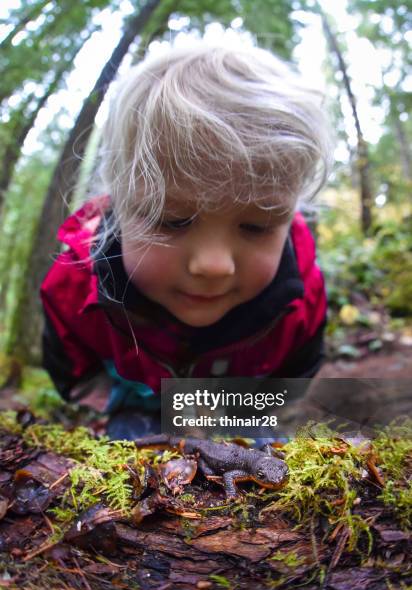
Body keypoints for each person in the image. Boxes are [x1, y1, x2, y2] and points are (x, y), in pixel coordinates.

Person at [40, 43, 333, 441]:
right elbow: (70, 363)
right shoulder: (76, 284)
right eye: (171, 220)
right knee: (131, 443)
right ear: (118, 206)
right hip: (139, 400)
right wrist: (107, 404)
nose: (214, 266)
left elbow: (298, 369)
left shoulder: (300, 292)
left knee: (268, 453)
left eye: (257, 226)